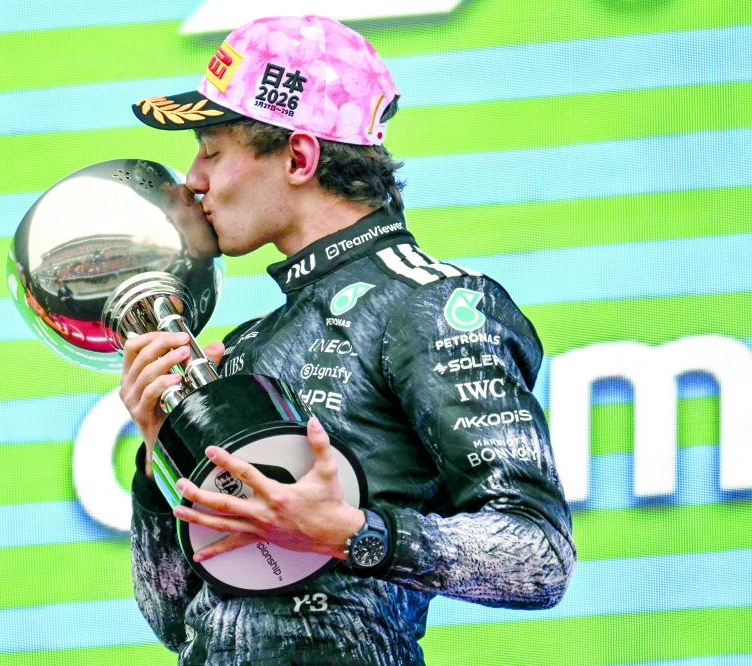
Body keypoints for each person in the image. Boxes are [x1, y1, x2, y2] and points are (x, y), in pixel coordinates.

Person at [120, 15, 575, 666]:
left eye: (211, 151)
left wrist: (349, 533)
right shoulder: (247, 347)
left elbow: (541, 558)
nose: (192, 179)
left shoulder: (432, 305)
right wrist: (155, 459)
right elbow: (179, 620)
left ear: (299, 158)